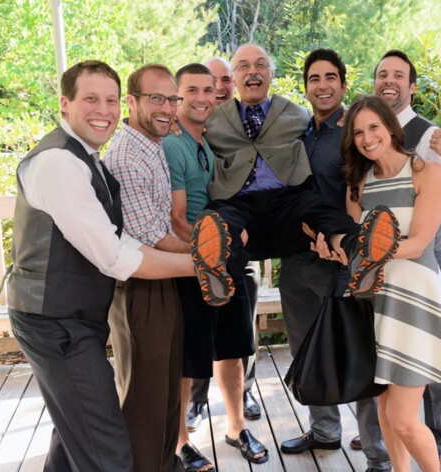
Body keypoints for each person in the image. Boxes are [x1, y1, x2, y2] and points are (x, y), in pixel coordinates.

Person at [6, 60, 230, 472]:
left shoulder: (87, 157)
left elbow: (120, 240)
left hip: (75, 318)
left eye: (109, 101)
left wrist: (199, 261)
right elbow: (116, 256)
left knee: (73, 437)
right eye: (91, 99)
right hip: (54, 322)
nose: (104, 110)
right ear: (65, 104)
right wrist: (202, 267)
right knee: (107, 447)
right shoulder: (59, 163)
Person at [317, 94, 441, 472]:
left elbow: (416, 244)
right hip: (375, 302)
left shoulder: (425, 171)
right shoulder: (359, 184)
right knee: (384, 405)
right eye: (359, 132)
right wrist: (338, 251)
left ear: (391, 127)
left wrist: (367, 250)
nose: (367, 138)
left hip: (415, 302)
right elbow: (354, 247)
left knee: (403, 418)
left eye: (374, 128)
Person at [103, 63, 232, 472]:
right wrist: (208, 263)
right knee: (144, 398)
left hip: (162, 279)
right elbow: (153, 239)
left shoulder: (154, 142)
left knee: (164, 393)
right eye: (156, 98)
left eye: (170, 99)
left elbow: (160, 227)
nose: (167, 107)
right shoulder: (126, 155)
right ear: (132, 101)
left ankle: (166, 463)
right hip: (140, 285)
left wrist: (209, 259)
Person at [350, 50, 441, 472]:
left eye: (398, 74)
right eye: (382, 73)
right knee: (389, 408)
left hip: (418, 277)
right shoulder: (361, 173)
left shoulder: (432, 142)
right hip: (377, 292)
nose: (389, 79)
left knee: (422, 394)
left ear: (411, 85)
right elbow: (354, 233)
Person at [203, 44, 398, 301]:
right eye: (243, 66)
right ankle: (216, 275)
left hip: (288, 205)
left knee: (319, 208)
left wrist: (352, 115)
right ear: (234, 78)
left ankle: (357, 255)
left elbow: (327, 117)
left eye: (261, 65)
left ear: (272, 74)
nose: (253, 71)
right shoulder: (211, 119)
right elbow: (183, 119)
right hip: (240, 206)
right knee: (217, 219)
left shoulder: (298, 114)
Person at [277, 48, 392, 471]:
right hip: (296, 261)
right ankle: (324, 429)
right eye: (313, 78)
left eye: (330, 77)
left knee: (356, 354)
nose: (322, 85)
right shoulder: (299, 133)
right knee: (305, 349)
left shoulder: (353, 130)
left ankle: (378, 456)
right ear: (305, 87)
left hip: (343, 261)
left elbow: (367, 189)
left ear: (344, 85)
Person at [163, 63, 266, 470]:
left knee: (233, 348)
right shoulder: (172, 146)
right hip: (191, 262)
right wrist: (211, 255)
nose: (204, 98)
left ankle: (236, 427)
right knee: (189, 357)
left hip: (222, 260)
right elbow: (175, 218)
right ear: (177, 96)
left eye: (209, 90)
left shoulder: (203, 143)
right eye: (193, 90)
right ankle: (180, 441)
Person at [186, 57, 262, 434]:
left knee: (241, 327)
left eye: (222, 81)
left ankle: (244, 392)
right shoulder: (194, 130)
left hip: (241, 244)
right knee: (200, 323)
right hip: (201, 244)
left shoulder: (246, 120)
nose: (218, 88)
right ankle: (197, 399)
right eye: (209, 82)